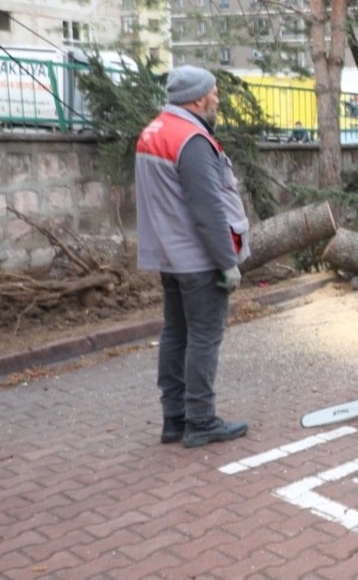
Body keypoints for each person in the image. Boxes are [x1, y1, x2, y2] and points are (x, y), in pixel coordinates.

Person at [135, 65, 251, 448]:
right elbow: (208, 210)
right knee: (203, 337)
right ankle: (201, 421)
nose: (217, 98)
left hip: (168, 254)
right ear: (199, 98)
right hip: (198, 259)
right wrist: (226, 263)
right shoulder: (192, 139)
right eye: (214, 92)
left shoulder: (154, 132)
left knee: (176, 333)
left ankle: (175, 419)